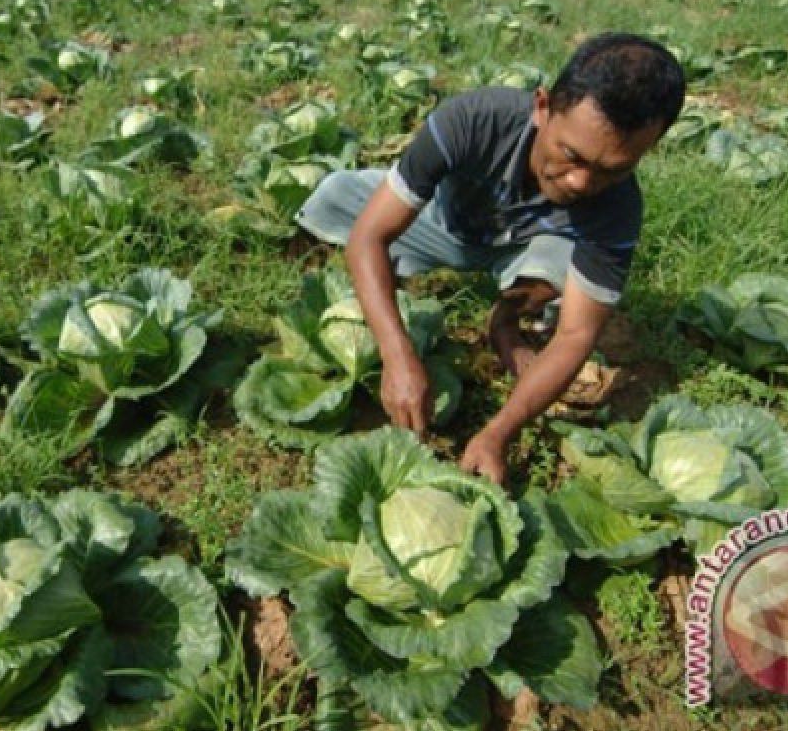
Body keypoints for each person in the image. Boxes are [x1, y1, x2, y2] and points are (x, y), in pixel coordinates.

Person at [294, 32, 686, 485]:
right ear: (542, 107)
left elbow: (578, 334)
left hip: (531, 250)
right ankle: (400, 282)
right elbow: (370, 237)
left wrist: (497, 435)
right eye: (571, 155)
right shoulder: (473, 119)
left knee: (568, 293)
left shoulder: (618, 208)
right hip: (445, 224)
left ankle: (505, 322)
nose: (581, 181)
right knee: (336, 197)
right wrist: (398, 355)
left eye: (612, 169)